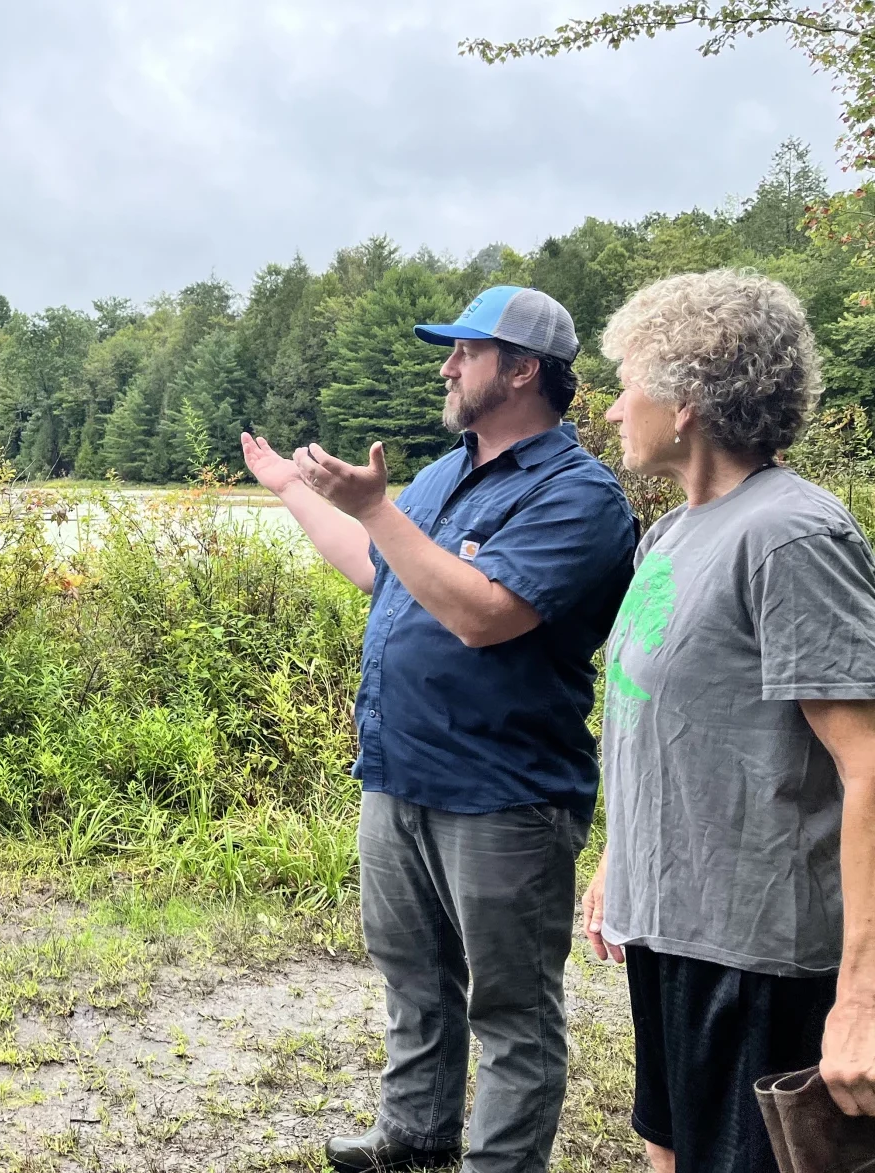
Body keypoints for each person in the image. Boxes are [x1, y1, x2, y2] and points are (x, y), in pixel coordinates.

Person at [242, 285, 636, 1172]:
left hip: (505, 795)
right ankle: (414, 1137)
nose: (447, 365)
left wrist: (377, 507)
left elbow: (483, 615)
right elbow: (378, 571)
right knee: (413, 978)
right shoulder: (441, 474)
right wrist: (294, 493)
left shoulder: (582, 497)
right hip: (400, 774)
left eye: (467, 350)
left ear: (524, 369)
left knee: (512, 1011)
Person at [580, 269, 875, 1173]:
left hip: (762, 959)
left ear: (690, 398)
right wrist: (617, 864)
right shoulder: (673, 534)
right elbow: (668, 728)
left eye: (630, 380)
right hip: (672, 931)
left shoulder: (790, 536)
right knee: (670, 1149)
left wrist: (862, 996)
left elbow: (868, 765)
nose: (615, 406)